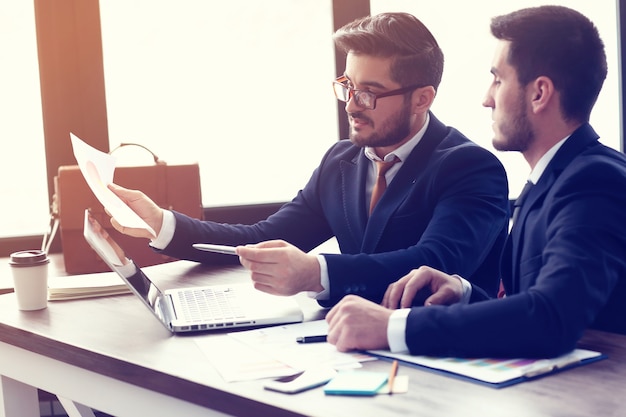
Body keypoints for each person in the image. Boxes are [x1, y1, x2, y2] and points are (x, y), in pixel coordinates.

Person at [107, 12, 509, 307]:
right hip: (348, 343)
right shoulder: (341, 161)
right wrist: (163, 224)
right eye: (348, 86)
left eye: (369, 92)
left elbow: (430, 263)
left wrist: (315, 273)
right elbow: (259, 240)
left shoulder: (470, 167)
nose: (352, 105)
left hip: (443, 353)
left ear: (422, 98)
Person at [326, 5, 626, 359]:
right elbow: (529, 307)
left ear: (539, 93)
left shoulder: (593, 181)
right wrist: (464, 292)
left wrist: (393, 327)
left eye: (498, 79)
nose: (487, 99)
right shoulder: (548, 181)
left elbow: (551, 318)